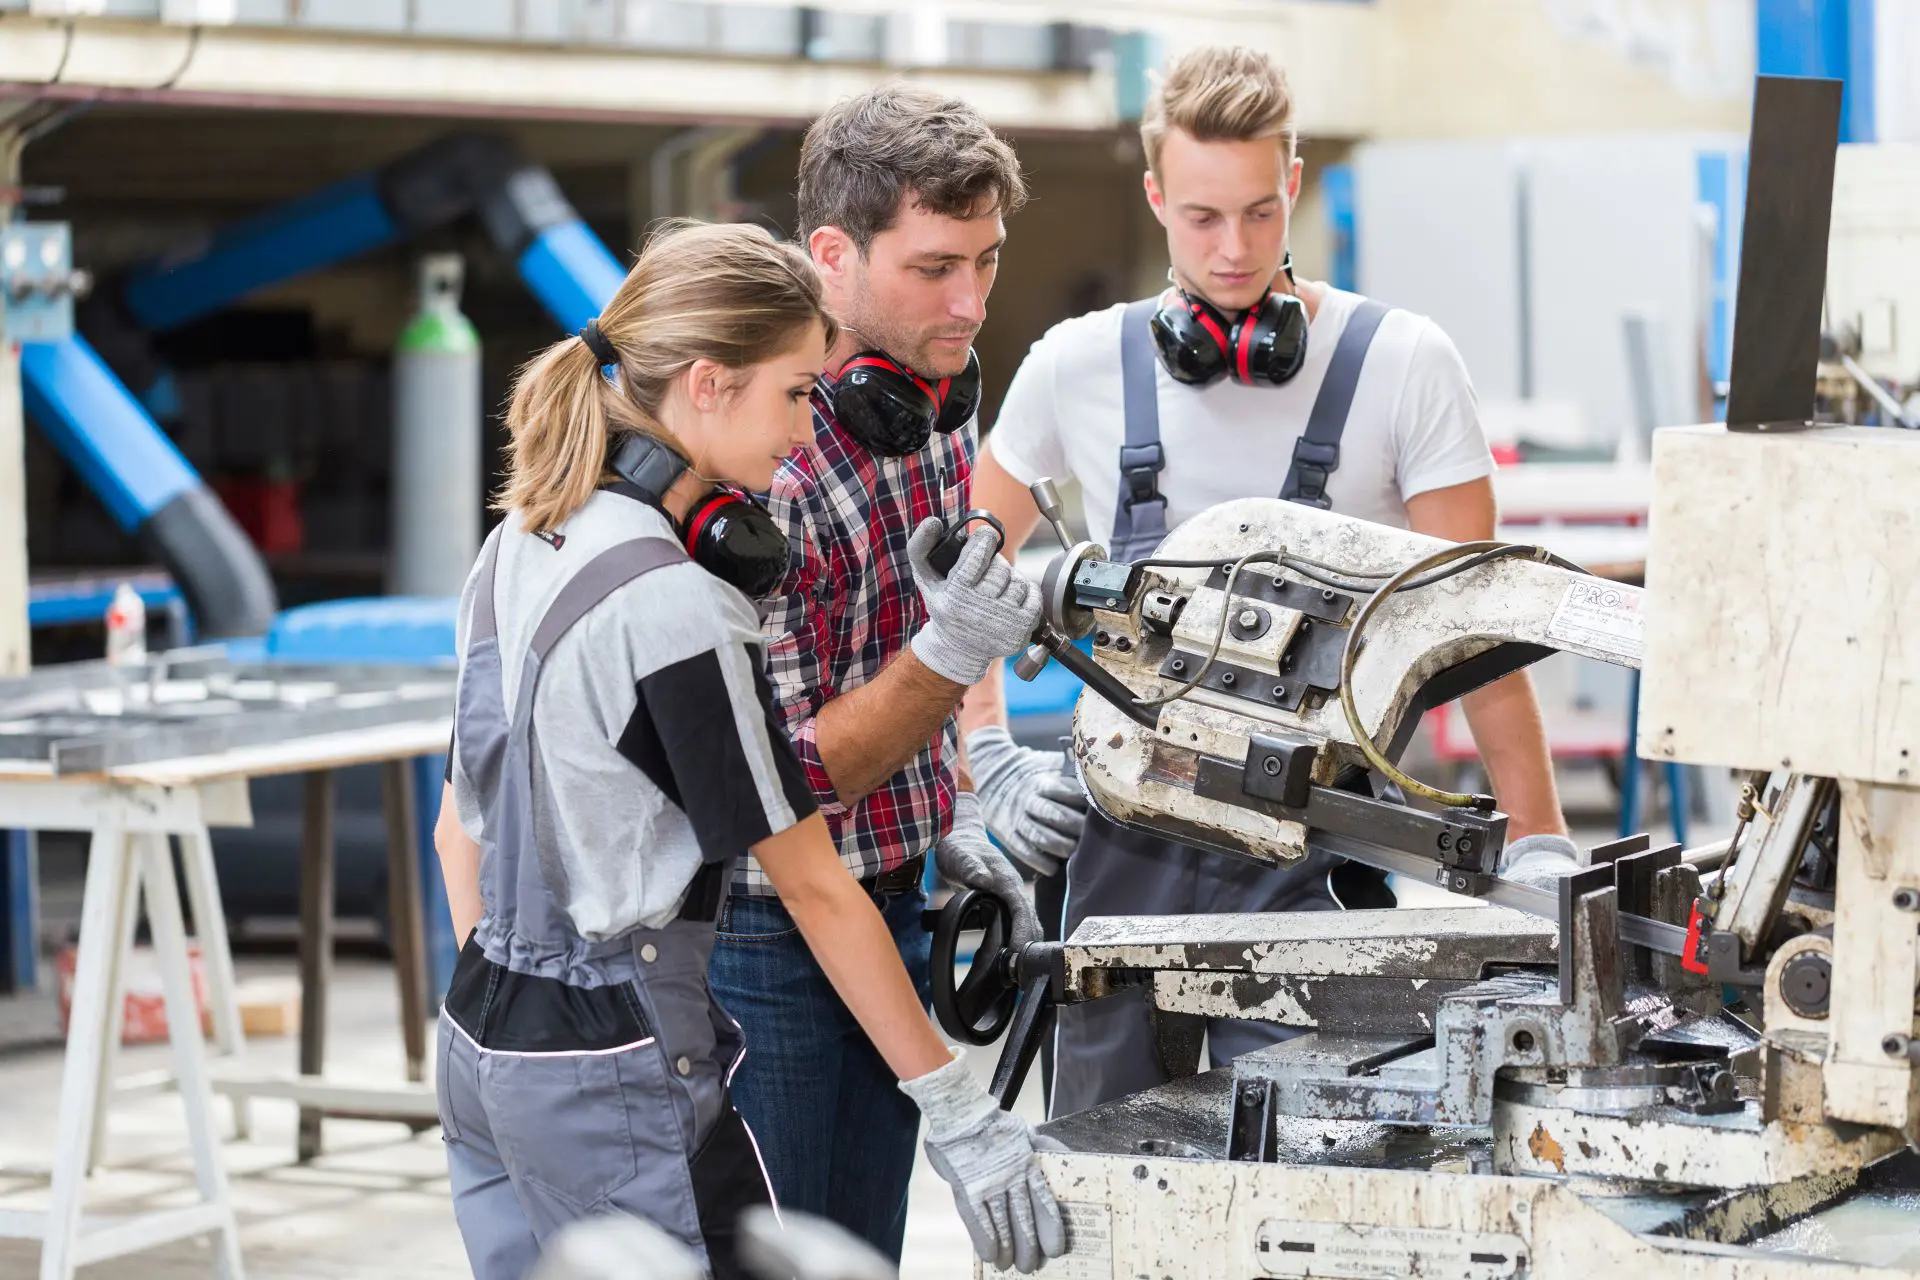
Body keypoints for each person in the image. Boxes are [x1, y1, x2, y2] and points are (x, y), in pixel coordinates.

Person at [430, 221, 1063, 1279]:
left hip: (483, 1043)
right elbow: (812, 885)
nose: (810, 431)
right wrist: (960, 1110)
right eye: (798, 394)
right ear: (711, 384)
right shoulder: (675, 604)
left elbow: (463, 821)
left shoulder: (518, 543)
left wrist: (515, 1020)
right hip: (617, 1065)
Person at [960, 45, 1574, 1119]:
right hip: (1125, 838)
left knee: (1325, 1146)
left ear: (1292, 180)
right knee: (1110, 1158)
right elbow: (967, 574)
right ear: (1154, 195)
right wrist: (987, 754)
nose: (1234, 248)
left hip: (1331, 838)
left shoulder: (1403, 364)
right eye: (1201, 217)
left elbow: (1478, 641)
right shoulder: (1076, 365)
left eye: (1257, 209)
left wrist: (1539, 846)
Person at [705, 84, 1045, 1263]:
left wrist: (954, 806)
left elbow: (901, 634)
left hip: (893, 890)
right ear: (833, 257)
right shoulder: (763, 473)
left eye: (988, 261)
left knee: (865, 1259)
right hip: (768, 936)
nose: (970, 303)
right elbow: (788, 781)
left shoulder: (935, 400)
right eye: (936, 267)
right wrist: (950, 661)